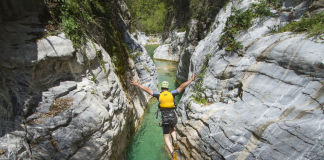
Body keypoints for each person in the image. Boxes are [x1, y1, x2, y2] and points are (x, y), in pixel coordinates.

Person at [130, 74, 197, 160]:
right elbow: (182, 86)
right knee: (172, 128)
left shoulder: (158, 95)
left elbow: (147, 90)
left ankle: (173, 153)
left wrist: (137, 84)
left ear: (161, 88)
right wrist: (191, 79)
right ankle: (175, 140)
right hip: (173, 118)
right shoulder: (172, 93)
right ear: (168, 88)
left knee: (166, 138)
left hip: (165, 119)